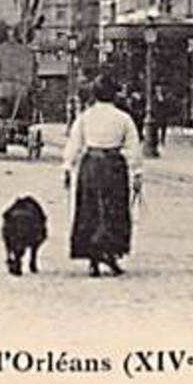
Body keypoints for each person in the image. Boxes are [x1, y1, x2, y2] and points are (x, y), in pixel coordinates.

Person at [62, 78, 142, 278]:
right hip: (114, 165)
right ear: (113, 95)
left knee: (90, 210)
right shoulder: (123, 118)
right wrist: (137, 173)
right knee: (113, 211)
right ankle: (112, 254)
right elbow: (133, 147)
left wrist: (67, 166)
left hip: (91, 165)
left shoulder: (85, 117)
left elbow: (74, 143)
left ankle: (92, 258)